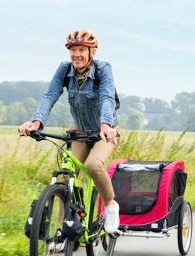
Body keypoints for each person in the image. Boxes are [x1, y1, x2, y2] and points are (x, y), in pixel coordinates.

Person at [18, 29, 120, 234]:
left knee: (93, 165)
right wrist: (36, 122)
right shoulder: (65, 70)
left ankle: (110, 205)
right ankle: (65, 229)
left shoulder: (103, 69)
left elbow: (107, 97)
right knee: (66, 176)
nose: (77, 55)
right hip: (80, 132)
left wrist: (105, 125)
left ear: (92, 52)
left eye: (82, 49)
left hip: (105, 131)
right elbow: (49, 96)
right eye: (73, 50)